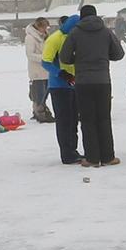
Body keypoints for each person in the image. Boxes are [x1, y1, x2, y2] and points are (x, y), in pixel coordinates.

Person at [61, 4, 126, 169]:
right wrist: (104, 55)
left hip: (83, 82)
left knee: (88, 120)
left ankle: (92, 158)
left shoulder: (75, 33)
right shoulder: (106, 32)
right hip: (103, 81)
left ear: (81, 16)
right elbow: (119, 54)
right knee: (104, 118)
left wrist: (78, 57)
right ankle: (108, 157)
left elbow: (65, 57)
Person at [42, 18, 82, 165]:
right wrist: (61, 73)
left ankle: (74, 150)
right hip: (59, 86)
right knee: (64, 121)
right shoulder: (54, 39)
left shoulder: (75, 37)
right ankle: (67, 154)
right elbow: (45, 62)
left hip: (74, 84)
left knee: (73, 120)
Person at [24, 15, 55, 123]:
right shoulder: (30, 38)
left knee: (45, 92)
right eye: (45, 27)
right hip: (37, 71)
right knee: (38, 94)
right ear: (39, 27)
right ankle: (39, 112)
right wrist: (44, 58)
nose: (46, 29)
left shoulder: (45, 36)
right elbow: (30, 54)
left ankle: (41, 110)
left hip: (46, 70)